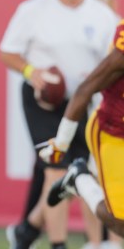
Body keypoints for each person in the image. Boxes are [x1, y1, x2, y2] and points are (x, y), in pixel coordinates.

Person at [0, 0, 119, 247]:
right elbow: (7, 51)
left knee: (86, 172)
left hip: (84, 102)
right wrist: (31, 71)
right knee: (56, 168)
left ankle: (85, 239)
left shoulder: (102, 15)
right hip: (44, 100)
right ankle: (58, 243)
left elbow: (113, 62)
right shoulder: (33, 9)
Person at [40, 19, 124, 240]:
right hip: (114, 132)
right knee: (121, 223)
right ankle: (80, 180)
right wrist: (61, 144)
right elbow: (85, 90)